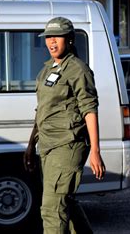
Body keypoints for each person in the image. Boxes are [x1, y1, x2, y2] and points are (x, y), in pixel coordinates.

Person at [23, 16, 105, 234]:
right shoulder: (48, 68)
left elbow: (89, 109)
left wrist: (96, 150)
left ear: (69, 39)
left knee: (52, 209)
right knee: (64, 203)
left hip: (68, 144)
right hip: (48, 144)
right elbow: (42, 110)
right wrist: (31, 145)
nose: (51, 42)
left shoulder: (78, 70)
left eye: (56, 36)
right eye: (48, 37)